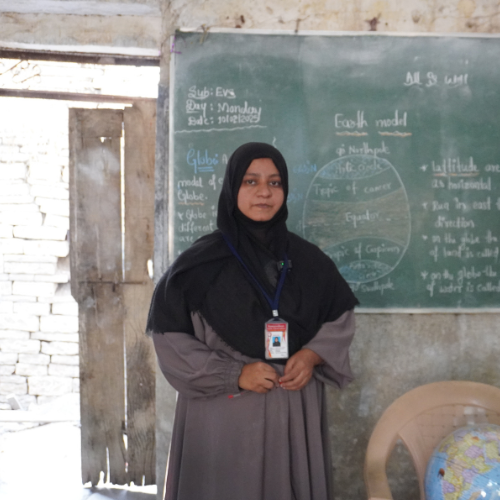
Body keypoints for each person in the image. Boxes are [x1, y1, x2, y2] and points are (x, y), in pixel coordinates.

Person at [147, 142, 359, 500]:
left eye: (275, 183)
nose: (264, 192)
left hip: (292, 412)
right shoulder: (197, 266)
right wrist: (234, 374)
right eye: (251, 181)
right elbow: (170, 341)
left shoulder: (309, 261)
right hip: (222, 417)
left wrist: (312, 356)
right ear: (233, 188)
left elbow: (339, 317)